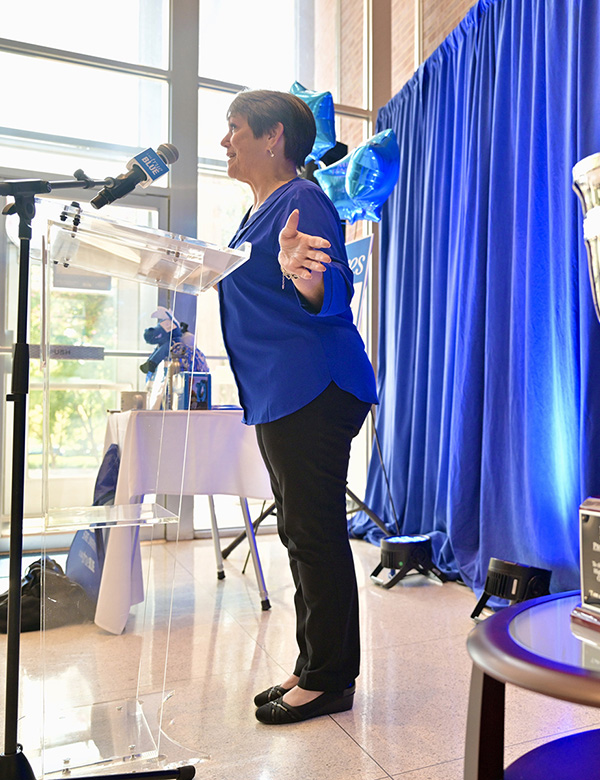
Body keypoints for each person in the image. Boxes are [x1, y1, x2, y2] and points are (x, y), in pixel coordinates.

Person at [216, 89, 378, 725]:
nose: (225, 141)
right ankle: (314, 662)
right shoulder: (259, 210)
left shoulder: (302, 198)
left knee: (313, 532)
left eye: (234, 129)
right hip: (285, 388)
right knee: (300, 530)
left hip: (314, 384)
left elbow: (333, 285)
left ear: (272, 136)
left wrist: (306, 276)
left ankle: (331, 679)